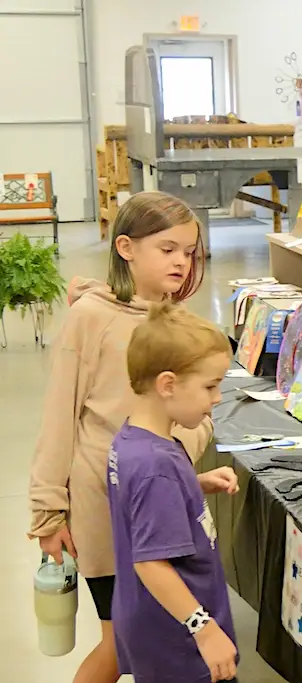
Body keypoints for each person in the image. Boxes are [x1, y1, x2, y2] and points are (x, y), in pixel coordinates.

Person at [28, 191, 212, 683]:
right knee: (119, 641)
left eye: (189, 251)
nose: (181, 261)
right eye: (167, 248)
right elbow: (58, 417)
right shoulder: (91, 318)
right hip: (101, 504)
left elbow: (194, 415)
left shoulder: (179, 323)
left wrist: (181, 457)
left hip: (159, 506)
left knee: (149, 636)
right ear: (127, 247)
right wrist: (48, 510)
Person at [108, 302, 238, 682]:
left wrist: (194, 485)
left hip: (149, 622)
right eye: (210, 386)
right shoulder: (156, 467)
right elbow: (150, 562)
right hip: (178, 637)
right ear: (167, 384)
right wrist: (205, 629)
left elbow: (139, 508)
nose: (217, 398)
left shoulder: (132, 440)